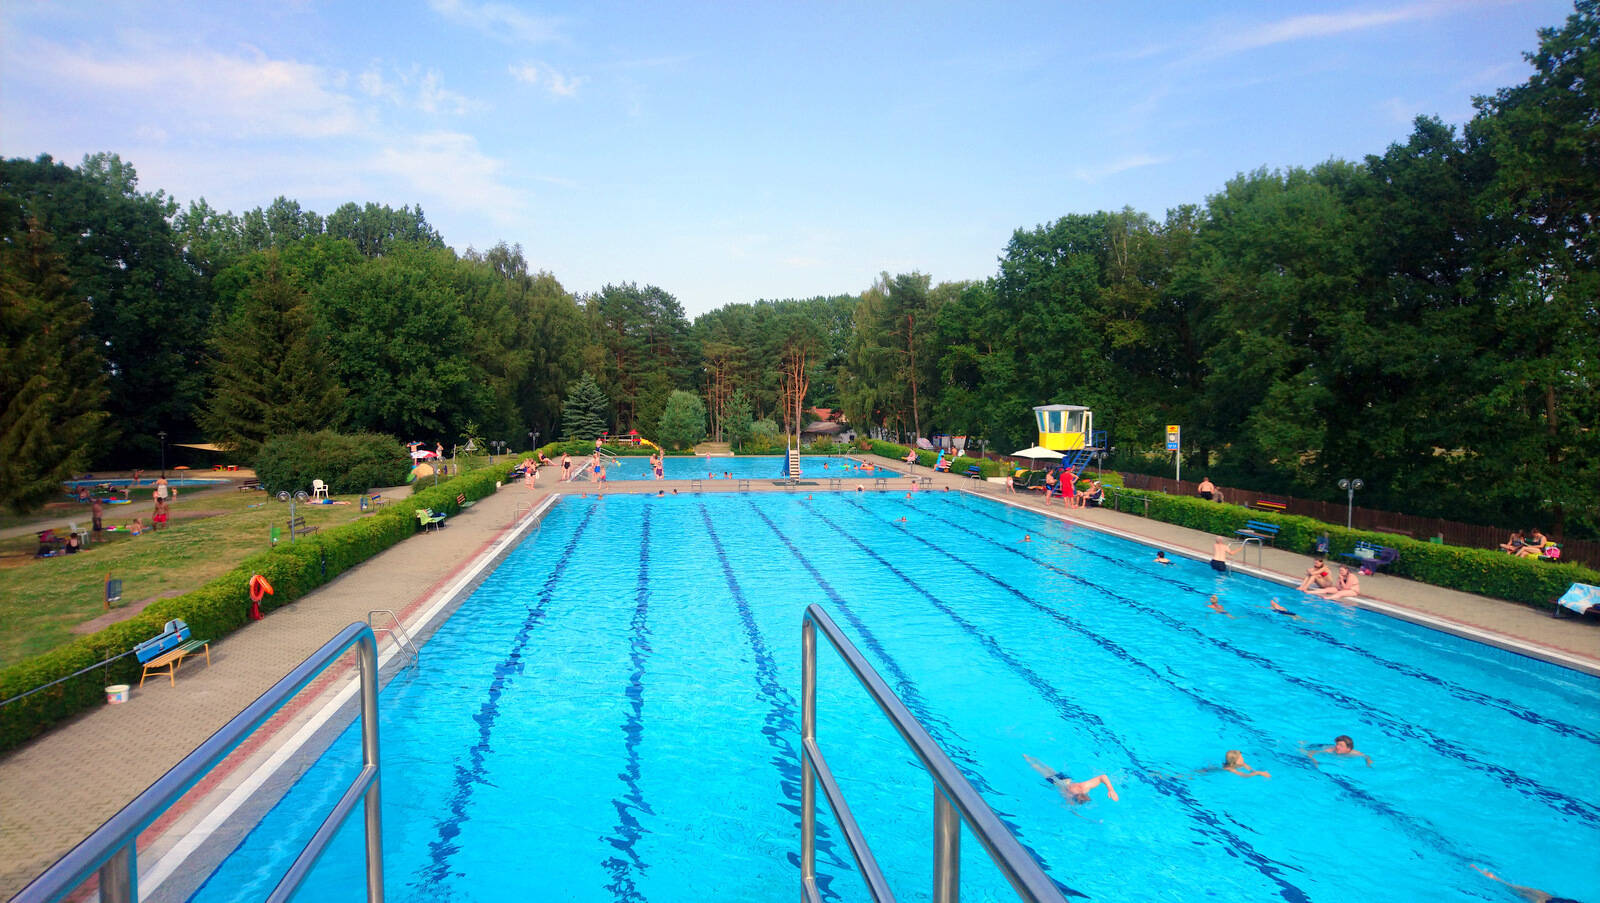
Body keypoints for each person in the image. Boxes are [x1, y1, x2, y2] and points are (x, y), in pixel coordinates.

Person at [1024, 755, 1118, 804]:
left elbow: (1103, 777)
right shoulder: (1070, 797)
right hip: (1056, 782)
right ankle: (1026, 758)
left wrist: (1111, 790)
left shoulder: (1084, 787)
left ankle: (1028, 756)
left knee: (1047, 768)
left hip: (1066, 779)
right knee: (1038, 769)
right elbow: (1070, 809)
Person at [1469, 864, 1581, 903]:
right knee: (1509, 888)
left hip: (1549, 897)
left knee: (1509, 886)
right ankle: (1489, 875)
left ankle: (1488, 875)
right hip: (1544, 900)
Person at [1304, 735, 1372, 767]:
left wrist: (1368, 764)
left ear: (1348, 749)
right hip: (1320, 747)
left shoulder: (1354, 753)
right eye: (1337, 744)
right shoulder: (1330, 750)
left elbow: (1366, 757)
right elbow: (1311, 752)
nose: (1337, 747)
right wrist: (1314, 760)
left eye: (1341, 746)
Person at [1196, 750, 1270, 779]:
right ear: (1237, 762)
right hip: (1209, 771)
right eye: (1241, 757)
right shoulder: (1230, 769)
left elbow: (1249, 769)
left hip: (1218, 766)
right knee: (1196, 773)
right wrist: (1258, 773)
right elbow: (1244, 775)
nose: (1243, 758)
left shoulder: (1241, 764)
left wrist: (1253, 770)